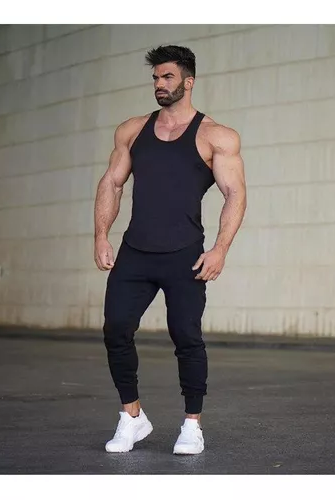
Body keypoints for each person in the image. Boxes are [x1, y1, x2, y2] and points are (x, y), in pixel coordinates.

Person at [93, 45, 247, 454]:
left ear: (188, 82)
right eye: (156, 78)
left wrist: (220, 249)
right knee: (116, 329)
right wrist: (101, 235)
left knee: (186, 336)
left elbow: (235, 193)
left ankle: (192, 425)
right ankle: (132, 417)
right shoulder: (132, 131)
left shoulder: (216, 136)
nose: (159, 85)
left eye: (167, 77)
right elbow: (112, 182)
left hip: (184, 254)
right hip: (136, 251)